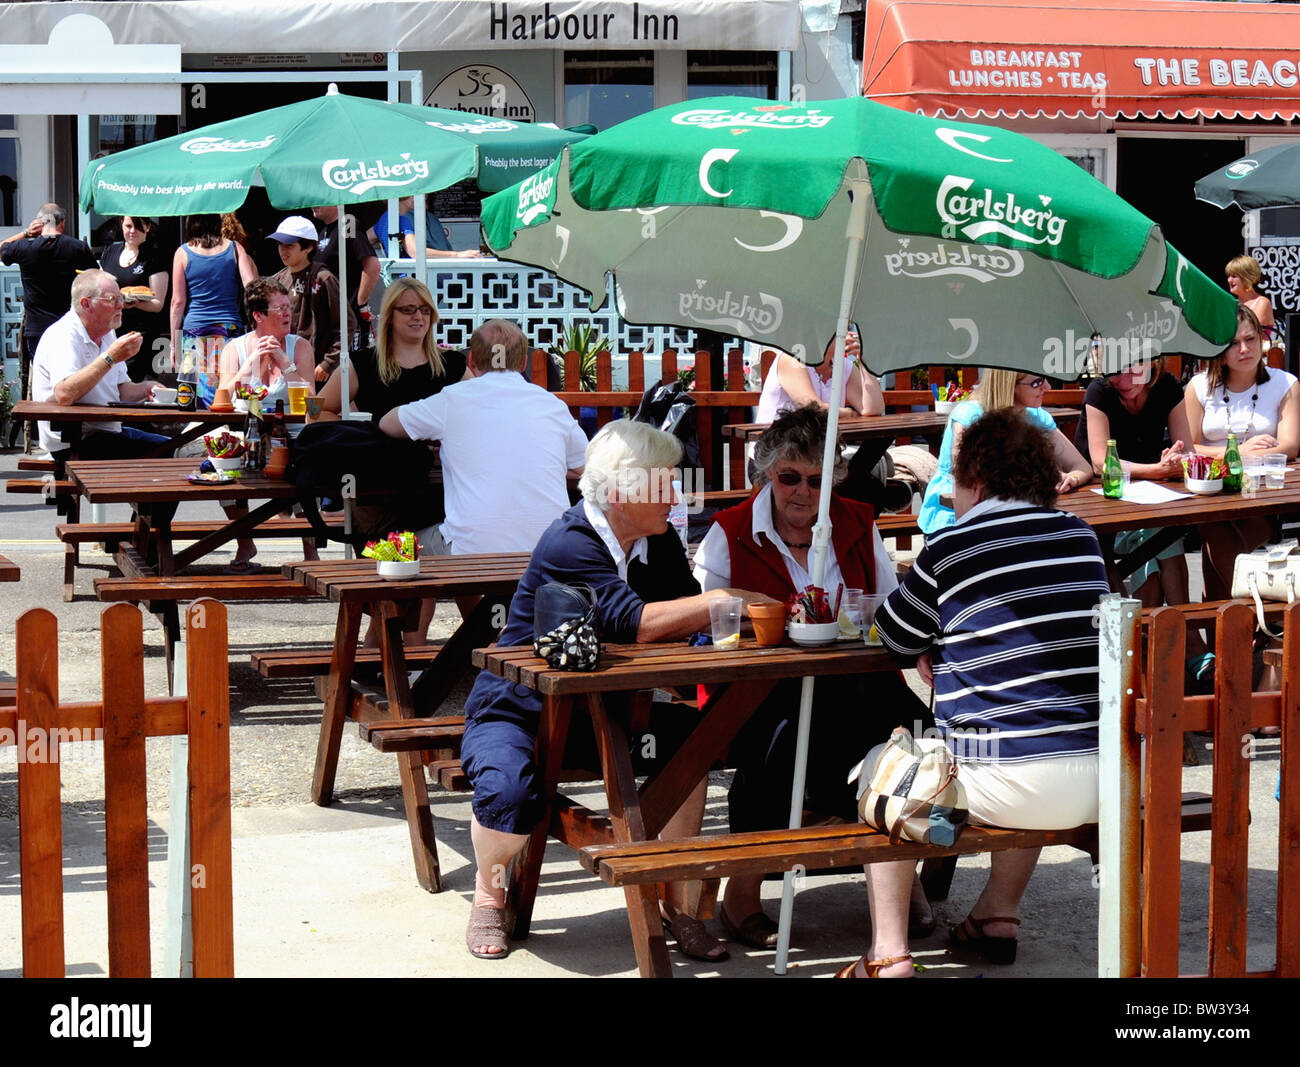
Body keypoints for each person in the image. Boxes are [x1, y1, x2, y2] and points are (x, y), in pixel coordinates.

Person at [455, 419, 769, 961]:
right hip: (520, 709)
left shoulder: (658, 539)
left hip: (606, 709)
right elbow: (634, 621)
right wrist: (728, 599)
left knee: (689, 749)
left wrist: (721, 632)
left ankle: (678, 902)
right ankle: (489, 893)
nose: (676, 492)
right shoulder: (570, 542)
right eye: (664, 481)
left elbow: (682, 614)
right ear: (623, 492)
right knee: (510, 795)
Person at [860, 408, 1110, 978]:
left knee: (887, 767)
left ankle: (891, 955)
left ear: (973, 480)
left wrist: (932, 645)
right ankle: (998, 913)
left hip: (1002, 782)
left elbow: (891, 635)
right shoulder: (1083, 537)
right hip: (1100, 777)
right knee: (1029, 720)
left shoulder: (951, 546)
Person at [692, 404, 929, 947]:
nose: (802, 490)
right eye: (789, 477)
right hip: (757, 693)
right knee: (779, 747)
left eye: (817, 480)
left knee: (918, 735)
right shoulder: (729, 532)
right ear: (767, 477)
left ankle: (905, 875)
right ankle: (742, 898)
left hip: (856, 684)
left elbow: (892, 607)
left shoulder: (856, 523)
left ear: (834, 481)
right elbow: (705, 625)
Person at [1186, 303, 1300, 599]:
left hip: (1262, 493)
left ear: (1262, 340)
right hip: (1211, 491)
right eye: (1233, 343)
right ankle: (1257, 618)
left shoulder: (1285, 383)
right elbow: (1188, 446)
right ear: (1219, 349)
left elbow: (1289, 445)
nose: (1244, 349)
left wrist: (1246, 456)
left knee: (1215, 540)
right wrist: (1238, 452)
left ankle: (1230, 629)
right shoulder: (1199, 387)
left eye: (1251, 339)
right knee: (1213, 524)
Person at [1074, 357, 1193, 605]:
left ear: (1151, 363)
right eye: (1116, 372)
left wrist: (1174, 458)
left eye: (1133, 371)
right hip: (1101, 498)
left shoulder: (1167, 386)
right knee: (1159, 534)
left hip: (1151, 495)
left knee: (1160, 529)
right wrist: (1156, 470)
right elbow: (1101, 463)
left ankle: (1155, 631)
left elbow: (1187, 451)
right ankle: (1184, 634)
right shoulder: (1100, 390)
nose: (1124, 381)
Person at [215, 278, 316, 571]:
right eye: (280, 308)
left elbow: (312, 403)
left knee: (307, 463)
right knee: (218, 460)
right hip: (248, 433)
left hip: (293, 431)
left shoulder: (300, 347)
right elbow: (225, 396)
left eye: (289, 307)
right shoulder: (236, 349)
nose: (288, 314)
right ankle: (244, 539)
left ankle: (311, 552)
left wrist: (286, 364)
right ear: (258, 315)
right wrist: (250, 367)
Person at [919, 368, 1092, 535]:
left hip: (1011, 513)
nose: (1047, 387)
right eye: (1037, 382)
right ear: (1010, 385)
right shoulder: (970, 415)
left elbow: (1082, 466)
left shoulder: (1036, 415)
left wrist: (1072, 478)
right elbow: (966, 483)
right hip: (954, 516)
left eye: (1046, 379)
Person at [31, 271, 167, 460]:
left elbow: (120, 390)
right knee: (173, 454)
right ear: (86, 304)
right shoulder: (64, 335)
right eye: (112, 299)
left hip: (107, 434)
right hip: (75, 442)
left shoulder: (106, 332)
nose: (121, 305)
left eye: (121, 298)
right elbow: (64, 394)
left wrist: (147, 388)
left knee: (180, 448)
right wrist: (110, 357)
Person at [1, 202, 97, 439]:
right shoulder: (77, 248)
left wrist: (25, 233)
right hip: (69, 329)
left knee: (47, 386)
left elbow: (2, 248)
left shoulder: (24, 248)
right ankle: (71, 437)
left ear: (40, 223)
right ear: (62, 223)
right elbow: (95, 277)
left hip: (37, 330)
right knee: (71, 384)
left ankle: (49, 440)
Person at [315, 276, 465, 420]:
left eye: (425, 310)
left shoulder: (452, 364)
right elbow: (316, 412)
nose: (419, 316)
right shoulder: (364, 364)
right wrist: (358, 433)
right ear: (390, 315)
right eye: (408, 309)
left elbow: (480, 408)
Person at [171, 212, 257, 407]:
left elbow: (177, 302)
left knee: (196, 393)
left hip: (194, 334)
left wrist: (174, 344)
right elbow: (252, 287)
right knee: (227, 387)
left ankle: (205, 434)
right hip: (228, 331)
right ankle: (226, 435)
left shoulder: (183, 253)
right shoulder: (235, 249)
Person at [267, 215, 355, 386]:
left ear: (308, 247)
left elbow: (347, 324)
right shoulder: (276, 280)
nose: (283, 250)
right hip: (282, 369)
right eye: (279, 245)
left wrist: (329, 363)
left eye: (289, 245)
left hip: (317, 372)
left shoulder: (323, 278)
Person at [99, 216, 169, 382]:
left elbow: (157, 304)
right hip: (110, 331)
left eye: (138, 227)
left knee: (130, 381)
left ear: (148, 227)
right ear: (121, 225)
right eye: (128, 226)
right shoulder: (111, 251)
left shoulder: (154, 255)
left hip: (138, 335)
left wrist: (136, 303)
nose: (132, 231)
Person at [311, 205, 379, 314]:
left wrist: (360, 303)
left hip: (347, 317)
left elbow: (372, 265)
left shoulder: (348, 224)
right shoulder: (323, 231)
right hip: (329, 314)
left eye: (319, 200)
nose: (314, 204)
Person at [367, 196, 481, 260]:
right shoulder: (402, 219)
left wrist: (394, 243)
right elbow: (416, 252)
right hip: (411, 280)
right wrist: (457, 255)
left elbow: (367, 239)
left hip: (398, 280)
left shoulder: (385, 218)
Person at [1225, 254, 1276, 338]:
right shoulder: (1233, 304)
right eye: (1228, 276)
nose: (1229, 280)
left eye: (1234, 276)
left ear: (1247, 278)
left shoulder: (1262, 302)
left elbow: (1250, 333)